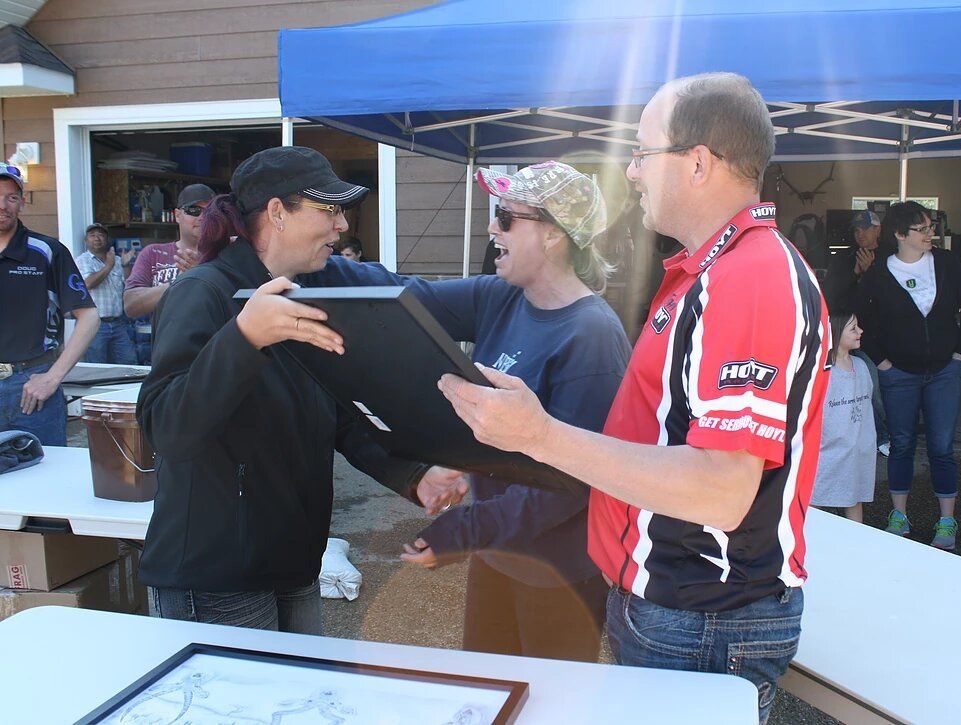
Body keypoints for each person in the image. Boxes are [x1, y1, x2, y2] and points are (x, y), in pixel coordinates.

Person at [436, 73, 830, 724]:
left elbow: (722, 490)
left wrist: (537, 433)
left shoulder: (750, 278)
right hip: (674, 607)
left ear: (698, 162)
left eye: (643, 153)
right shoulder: (709, 274)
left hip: (701, 617)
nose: (632, 171)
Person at [136, 147, 467, 633]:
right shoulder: (203, 292)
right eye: (328, 209)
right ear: (276, 213)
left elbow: (343, 415)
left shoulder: (306, 291)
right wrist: (244, 338)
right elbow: (168, 429)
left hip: (294, 564)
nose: (342, 225)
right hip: (215, 576)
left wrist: (414, 475)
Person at [373, 162, 629, 662]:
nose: (493, 228)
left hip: (559, 574)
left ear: (554, 234)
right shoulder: (501, 297)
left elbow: (568, 486)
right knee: (486, 696)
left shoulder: (591, 336)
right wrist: (303, 270)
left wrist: (462, 531)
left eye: (506, 218)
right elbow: (407, 297)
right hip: (498, 556)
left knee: (548, 708)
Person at [857, 201, 961, 550]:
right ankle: (900, 515)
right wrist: (881, 362)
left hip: (944, 370)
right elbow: (864, 320)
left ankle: (947, 520)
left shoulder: (946, 263)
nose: (931, 234)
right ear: (899, 234)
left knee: (942, 447)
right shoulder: (879, 273)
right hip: (899, 374)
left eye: (931, 227)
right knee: (902, 444)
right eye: (922, 229)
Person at [0, 164, 99, 446]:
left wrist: (53, 377)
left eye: (11, 197)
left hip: (32, 387)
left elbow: (89, 318)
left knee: (47, 477)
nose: (3, 205)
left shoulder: (46, 251)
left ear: (22, 201)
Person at [124, 184, 214, 363]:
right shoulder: (153, 253)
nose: (202, 216)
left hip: (213, 354)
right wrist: (183, 281)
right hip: (165, 356)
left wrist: (201, 274)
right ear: (177, 215)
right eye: (193, 210)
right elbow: (131, 305)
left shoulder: (227, 252)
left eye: (210, 210)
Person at [810, 312, 876, 522]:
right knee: (815, 497)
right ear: (836, 333)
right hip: (826, 450)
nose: (861, 331)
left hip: (859, 448)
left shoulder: (862, 366)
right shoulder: (822, 371)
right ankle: (809, 545)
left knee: (854, 497)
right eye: (853, 328)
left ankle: (855, 546)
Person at [75, 223, 137, 365]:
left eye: (101, 235)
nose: (97, 238)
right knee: (97, 365)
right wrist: (108, 266)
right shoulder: (82, 261)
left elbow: (129, 286)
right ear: (86, 241)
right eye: (92, 235)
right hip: (94, 325)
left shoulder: (116, 260)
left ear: (107, 239)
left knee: (129, 361)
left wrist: (126, 265)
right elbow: (88, 284)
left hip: (118, 323)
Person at [823, 210, 881, 311]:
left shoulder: (890, 256)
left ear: (877, 230)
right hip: (849, 319)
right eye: (856, 230)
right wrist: (854, 273)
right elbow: (829, 292)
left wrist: (870, 271)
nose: (860, 234)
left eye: (865, 229)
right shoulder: (843, 256)